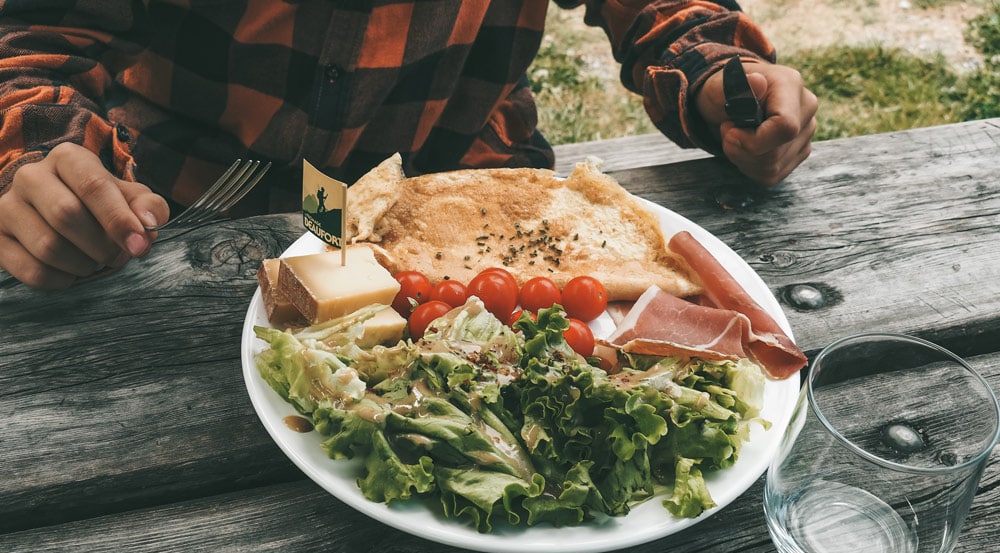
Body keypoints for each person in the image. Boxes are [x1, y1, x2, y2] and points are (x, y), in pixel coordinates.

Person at [0, 1, 817, 290]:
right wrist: (35, 149)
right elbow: (33, 28)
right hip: (196, 211)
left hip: (466, 189)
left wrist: (712, 67)